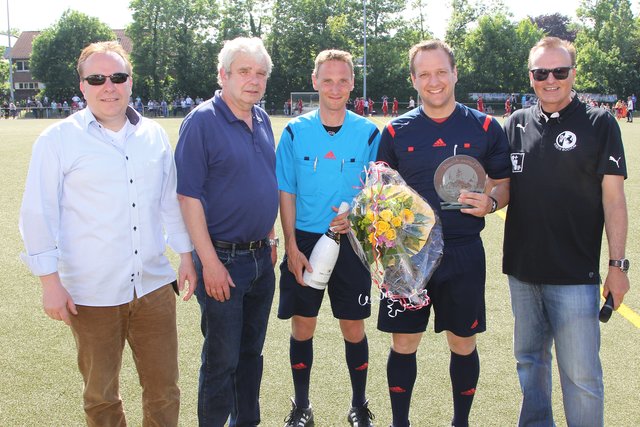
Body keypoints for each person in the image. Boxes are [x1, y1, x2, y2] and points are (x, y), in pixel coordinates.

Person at [18, 40, 196, 426]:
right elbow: (38, 213)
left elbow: (169, 202)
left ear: (131, 82)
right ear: (82, 86)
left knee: (165, 392)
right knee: (101, 397)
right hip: (91, 294)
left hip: (152, 288)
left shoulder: (153, 135)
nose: (108, 86)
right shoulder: (57, 140)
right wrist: (50, 283)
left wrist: (185, 256)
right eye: (96, 78)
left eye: (117, 77)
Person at [376, 39, 511, 427]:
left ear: (454, 73)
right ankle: (399, 422)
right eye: (424, 74)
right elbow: (380, 191)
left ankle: (461, 422)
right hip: (407, 256)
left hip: (464, 251)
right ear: (413, 80)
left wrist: (492, 202)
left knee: (462, 343)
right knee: (403, 343)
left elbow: (502, 183)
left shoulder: (485, 126)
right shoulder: (396, 130)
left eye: (440, 72)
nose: (433, 81)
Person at [503, 36, 630, 427]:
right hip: (523, 273)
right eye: (541, 72)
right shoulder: (516, 123)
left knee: (582, 377)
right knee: (530, 365)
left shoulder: (599, 122)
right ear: (531, 76)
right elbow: (502, 187)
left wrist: (618, 265)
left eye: (560, 71)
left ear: (573, 73)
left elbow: (614, 200)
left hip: (576, 276)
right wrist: (486, 199)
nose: (551, 80)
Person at [174, 37, 279, 427]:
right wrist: (210, 263)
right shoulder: (202, 121)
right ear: (223, 75)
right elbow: (188, 197)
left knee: (251, 355)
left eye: (260, 74)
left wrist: (269, 236)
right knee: (221, 360)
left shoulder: (263, 119)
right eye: (244, 72)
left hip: (259, 260)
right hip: (223, 261)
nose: (253, 81)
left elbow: (263, 180)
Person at [276, 49, 380, 427]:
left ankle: (358, 404)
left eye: (343, 80)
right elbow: (285, 190)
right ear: (315, 82)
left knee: (353, 325)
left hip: (350, 243)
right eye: (327, 79)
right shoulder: (293, 131)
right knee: (303, 323)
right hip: (303, 240)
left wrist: (356, 215)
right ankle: (301, 406)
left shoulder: (369, 132)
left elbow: (376, 190)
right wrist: (290, 245)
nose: (335, 87)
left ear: (352, 83)